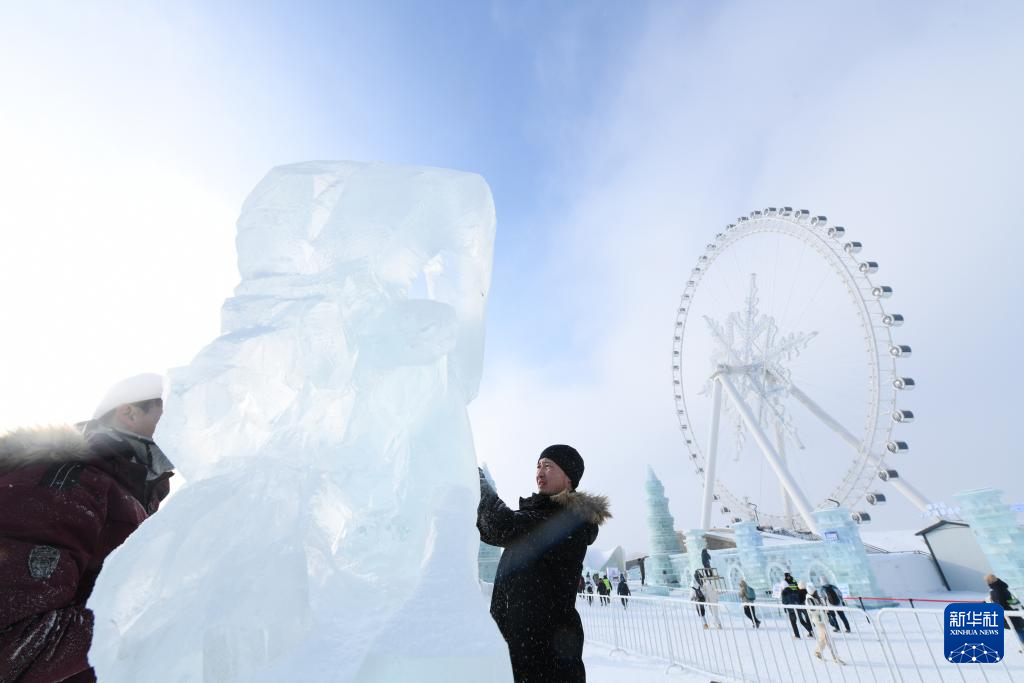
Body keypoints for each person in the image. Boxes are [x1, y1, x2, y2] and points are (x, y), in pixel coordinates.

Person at [0, 373, 175, 683]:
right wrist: (161, 615)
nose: (193, 423)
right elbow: (16, 641)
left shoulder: (130, 497)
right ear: (129, 412)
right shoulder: (66, 481)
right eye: (175, 411)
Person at [477, 444, 610, 683]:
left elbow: (502, 525)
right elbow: (492, 530)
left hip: (546, 657)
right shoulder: (539, 516)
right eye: (538, 466)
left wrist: (479, 484)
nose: (540, 472)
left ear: (568, 479)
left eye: (548, 466)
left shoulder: (568, 522)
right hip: (520, 650)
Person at [805, 583, 846, 665]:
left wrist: (825, 608)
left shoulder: (817, 597)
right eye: (815, 591)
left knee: (823, 638)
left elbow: (823, 605)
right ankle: (835, 657)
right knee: (828, 639)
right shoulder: (809, 599)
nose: (816, 592)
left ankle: (817, 652)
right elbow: (813, 610)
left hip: (823, 619)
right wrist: (822, 609)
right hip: (819, 621)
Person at [987, 573, 1024, 652]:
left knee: (1018, 629)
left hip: (1008, 613)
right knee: (1019, 628)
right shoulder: (1001, 586)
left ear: (989, 582)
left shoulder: (996, 590)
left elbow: (1000, 603)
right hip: (1012, 610)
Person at [781, 574, 813, 638]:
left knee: (793, 623)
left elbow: (784, 602)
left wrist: (785, 609)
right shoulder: (793, 590)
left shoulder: (784, 592)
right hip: (798, 607)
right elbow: (797, 598)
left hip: (791, 610)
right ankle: (810, 631)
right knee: (801, 620)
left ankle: (797, 635)